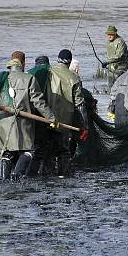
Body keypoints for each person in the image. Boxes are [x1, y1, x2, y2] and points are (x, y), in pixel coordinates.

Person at [0, 52, 59, 180]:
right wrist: (52, 120)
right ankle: (16, 176)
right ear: (23, 64)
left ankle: (4, 179)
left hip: (2, 122)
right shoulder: (29, 79)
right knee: (28, 151)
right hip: (22, 123)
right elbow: (39, 103)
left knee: (7, 153)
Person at [45, 49, 89, 177]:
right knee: (63, 150)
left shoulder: (48, 72)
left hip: (47, 118)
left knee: (47, 149)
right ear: (70, 62)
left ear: (58, 60)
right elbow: (80, 105)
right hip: (65, 121)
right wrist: (84, 126)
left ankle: (47, 175)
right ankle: (62, 175)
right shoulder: (74, 78)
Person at [103, 25, 128, 89]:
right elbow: (109, 56)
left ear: (115, 34)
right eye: (108, 34)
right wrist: (106, 63)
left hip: (121, 66)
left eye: (111, 34)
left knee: (118, 83)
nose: (109, 36)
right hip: (111, 66)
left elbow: (119, 56)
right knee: (110, 83)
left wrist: (107, 62)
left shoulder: (120, 42)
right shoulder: (109, 42)